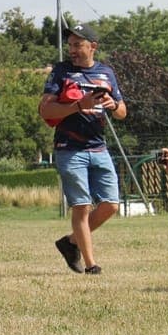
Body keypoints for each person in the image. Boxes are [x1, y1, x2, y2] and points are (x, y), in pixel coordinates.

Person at [39, 23, 126, 274]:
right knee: (81, 205)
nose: (73, 50)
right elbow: (45, 110)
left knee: (111, 205)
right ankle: (91, 265)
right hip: (70, 148)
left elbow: (122, 112)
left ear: (93, 47)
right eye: (70, 45)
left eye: (78, 45)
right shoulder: (61, 72)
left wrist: (112, 104)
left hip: (99, 147)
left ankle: (70, 242)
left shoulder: (106, 73)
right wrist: (78, 106)